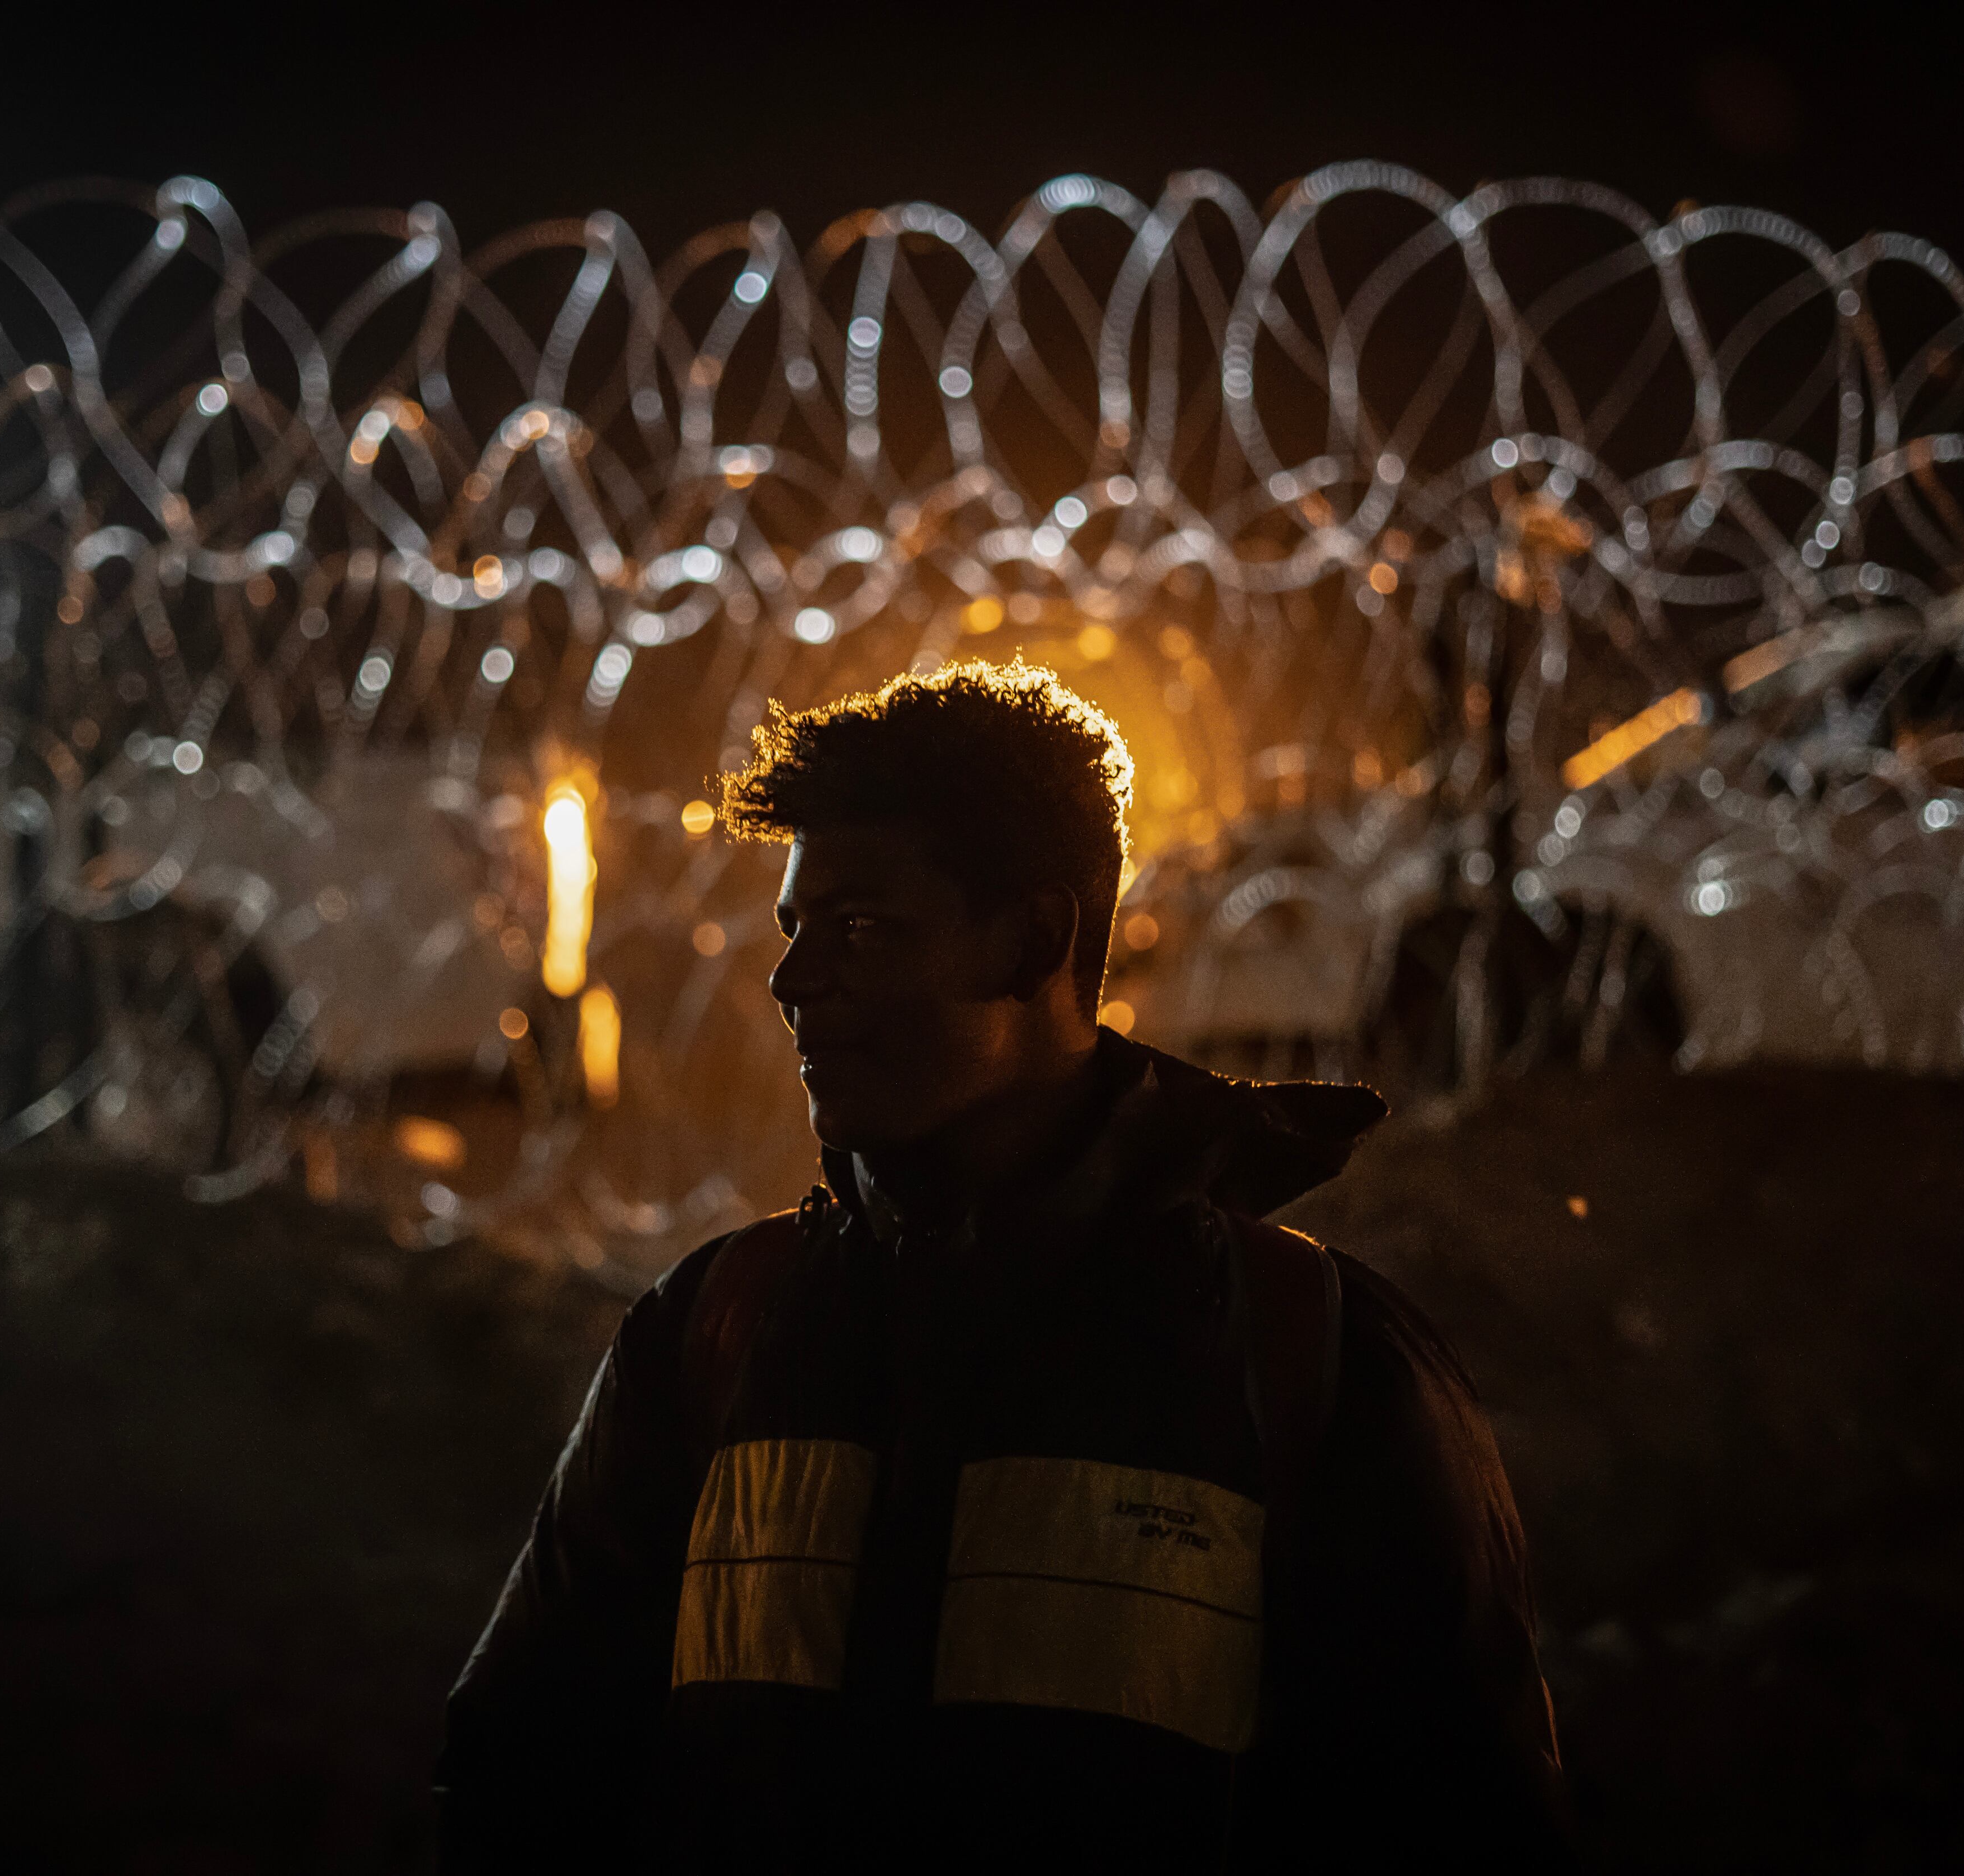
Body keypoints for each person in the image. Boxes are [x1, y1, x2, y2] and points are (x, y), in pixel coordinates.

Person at [437, 661, 1571, 1869]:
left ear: (1036, 937)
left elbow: (1459, 1820)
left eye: (863, 928)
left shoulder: (1305, 1353)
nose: (790, 982)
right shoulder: (716, 1327)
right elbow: (525, 1775)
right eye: (794, 929)